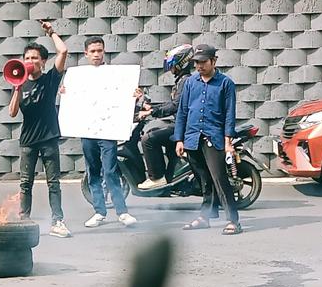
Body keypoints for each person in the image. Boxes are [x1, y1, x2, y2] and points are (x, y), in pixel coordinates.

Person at [8, 21, 70, 237]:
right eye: (27, 58)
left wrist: (51, 32)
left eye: (35, 58)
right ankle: (24, 219)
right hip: (28, 141)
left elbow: (63, 51)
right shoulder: (20, 83)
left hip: (49, 139)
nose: (30, 61)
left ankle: (58, 221)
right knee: (25, 183)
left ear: (43, 62)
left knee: (53, 182)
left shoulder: (50, 80)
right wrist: (16, 87)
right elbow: (12, 112)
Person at [173, 44, 243, 235]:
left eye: (203, 62)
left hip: (214, 138)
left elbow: (230, 114)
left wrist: (228, 142)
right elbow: (183, 111)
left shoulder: (225, 83)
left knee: (219, 179)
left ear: (214, 61)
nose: (199, 66)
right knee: (204, 180)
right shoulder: (190, 82)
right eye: (196, 63)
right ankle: (205, 217)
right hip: (192, 137)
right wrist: (179, 139)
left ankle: (233, 220)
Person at [76, 36, 137, 229]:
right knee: (93, 171)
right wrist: (66, 92)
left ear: (104, 52)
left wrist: (134, 95)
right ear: (86, 53)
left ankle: (122, 212)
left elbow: (125, 94)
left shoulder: (115, 74)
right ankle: (99, 212)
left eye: (99, 50)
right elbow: (73, 97)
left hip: (108, 129)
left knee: (111, 170)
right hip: (88, 129)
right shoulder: (79, 76)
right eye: (92, 51)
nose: (96, 54)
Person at [139, 44, 196, 190]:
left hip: (185, 127)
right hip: (181, 124)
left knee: (149, 138)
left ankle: (156, 177)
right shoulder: (182, 80)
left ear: (181, 62)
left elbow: (175, 106)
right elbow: (172, 103)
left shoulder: (186, 81)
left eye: (173, 64)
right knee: (156, 130)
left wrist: (152, 112)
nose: (171, 67)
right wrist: (152, 108)